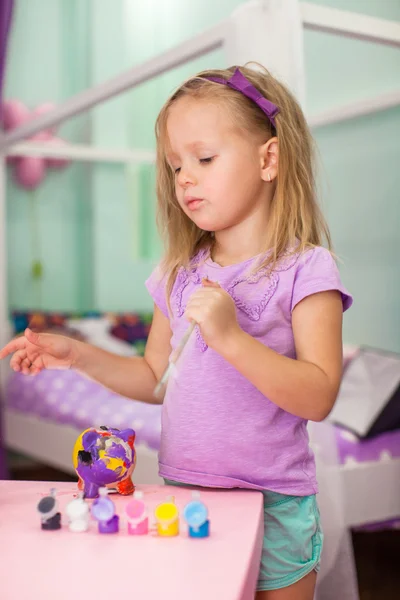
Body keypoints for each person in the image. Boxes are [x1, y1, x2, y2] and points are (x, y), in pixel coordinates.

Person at [0, 64, 352, 599]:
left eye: (204, 158)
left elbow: (319, 395)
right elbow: (151, 376)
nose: (184, 176)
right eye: (175, 164)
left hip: (275, 500)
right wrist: (74, 353)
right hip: (186, 492)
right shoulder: (179, 273)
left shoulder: (307, 268)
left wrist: (232, 339)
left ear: (269, 159)